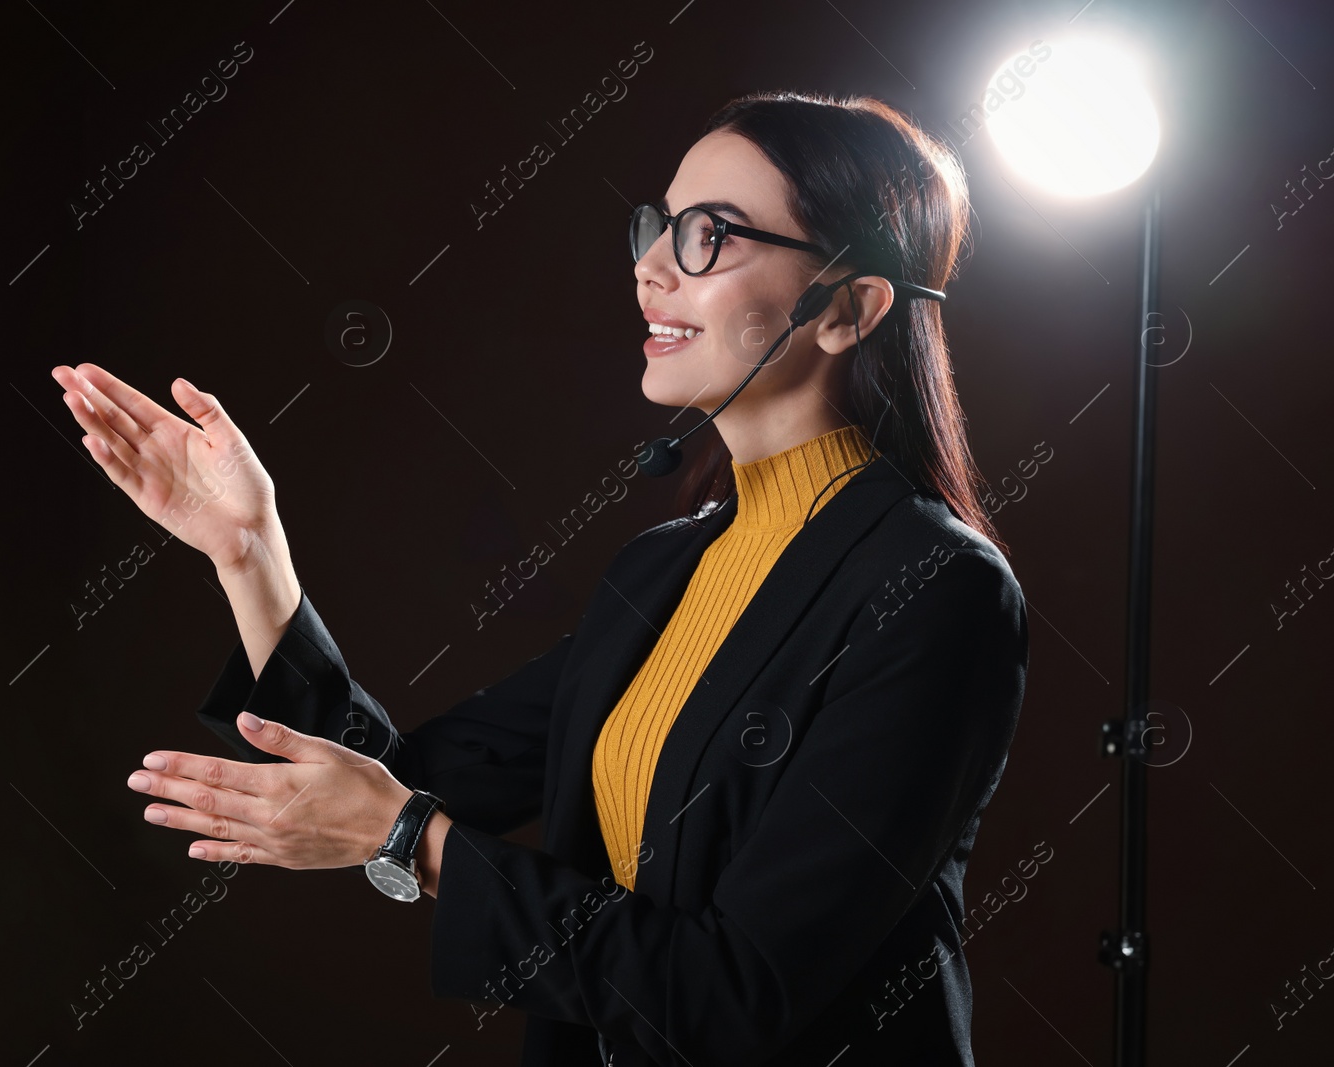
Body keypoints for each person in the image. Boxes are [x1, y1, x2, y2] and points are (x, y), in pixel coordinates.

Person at [50, 89, 1029, 1067]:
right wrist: (248, 549)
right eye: (657, 228)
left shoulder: (935, 586)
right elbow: (402, 780)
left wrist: (411, 839)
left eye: (709, 236)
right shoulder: (667, 565)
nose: (650, 269)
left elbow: (742, 993)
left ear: (847, 308)